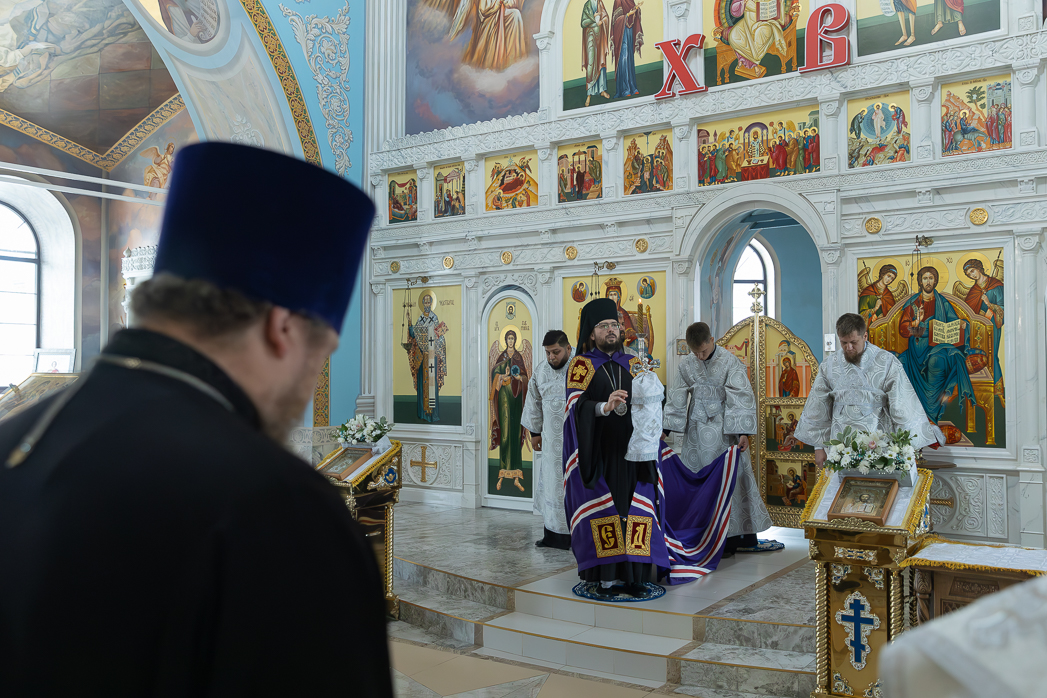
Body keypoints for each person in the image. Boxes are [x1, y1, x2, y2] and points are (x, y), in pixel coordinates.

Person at [0, 143, 392, 696]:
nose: (309, 382)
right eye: (321, 353)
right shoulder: (280, 507)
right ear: (282, 328)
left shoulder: (16, 439)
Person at [563, 301, 742, 595]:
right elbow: (575, 407)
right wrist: (604, 407)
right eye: (603, 326)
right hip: (600, 453)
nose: (611, 330)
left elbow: (652, 402)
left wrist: (653, 401)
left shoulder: (634, 362)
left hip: (636, 453)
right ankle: (605, 576)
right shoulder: (581, 365)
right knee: (607, 510)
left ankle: (637, 575)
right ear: (591, 333)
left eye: (614, 325)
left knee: (636, 509)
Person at [663, 322, 778, 556]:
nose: (700, 356)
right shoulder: (687, 364)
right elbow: (676, 396)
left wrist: (743, 433)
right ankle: (700, 535)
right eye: (695, 352)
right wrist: (666, 429)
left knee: (729, 481)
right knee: (698, 480)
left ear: (711, 340)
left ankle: (732, 538)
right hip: (696, 434)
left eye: (703, 351)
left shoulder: (729, 362)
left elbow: (741, 397)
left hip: (725, 432)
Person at [791, 313, 942, 466]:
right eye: (844, 343)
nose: (849, 347)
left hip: (878, 443)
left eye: (853, 342)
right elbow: (818, 406)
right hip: (840, 447)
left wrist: (908, 446)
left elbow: (902, 404)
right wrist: (818, 448)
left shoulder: (887, 362)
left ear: (865, 336)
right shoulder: (829, 365)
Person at [896, 266, 975, 423]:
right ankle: (919, 416)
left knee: (937, 361)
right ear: (920, 281)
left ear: (935, 281)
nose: (928, 281)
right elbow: (903, 329)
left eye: (931, 278)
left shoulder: (942, 302)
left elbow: (953, 322)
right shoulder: (913, 303)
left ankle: (932, 414)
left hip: (939, 346)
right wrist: (917, 321)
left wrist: (962, 324)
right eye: (925, 278)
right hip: (917, 349)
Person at [520, 330, 574, 549]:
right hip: (551, 443)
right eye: (548, 353)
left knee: (573, 487)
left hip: (575, 442)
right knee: (552, 486)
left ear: (568, 348)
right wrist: (535, 433)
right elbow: (533, 401)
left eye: (556, 352)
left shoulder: (580, 368)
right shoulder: (541, 371)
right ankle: (552, 536)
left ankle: (577, 537)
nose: (552, 357)